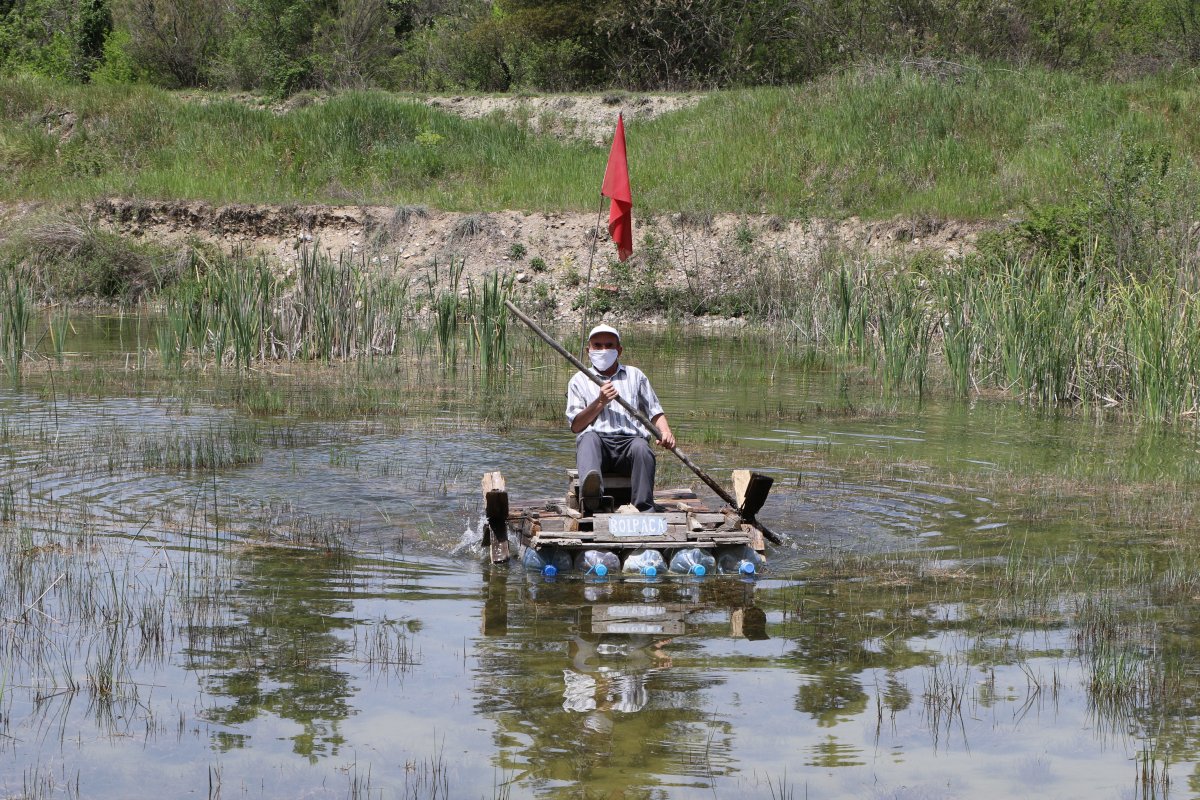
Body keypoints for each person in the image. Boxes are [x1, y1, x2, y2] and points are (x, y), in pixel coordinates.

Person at [566, 324, 675, 513]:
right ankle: (593, 502)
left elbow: (655, 411)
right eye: (597, 346)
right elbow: (577, 426)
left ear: (619, 350)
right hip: (597, 444)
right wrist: (600, 402)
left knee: (642, 448)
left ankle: (644, 509)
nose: (603, 350)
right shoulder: (579, 379)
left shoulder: (635, 375)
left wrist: (665, 431)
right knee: (588, 439)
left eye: (609, 345)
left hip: (629, 444)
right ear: (588, 350)